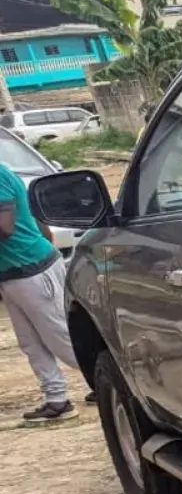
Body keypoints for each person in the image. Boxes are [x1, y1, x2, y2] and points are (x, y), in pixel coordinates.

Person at [0, 159, 91, 422]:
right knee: (31, 343)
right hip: (15, 273)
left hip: (32, 268)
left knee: (59, 336)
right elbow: (37, 221)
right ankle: (57, 400)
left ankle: (110, 381)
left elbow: (4, 228)